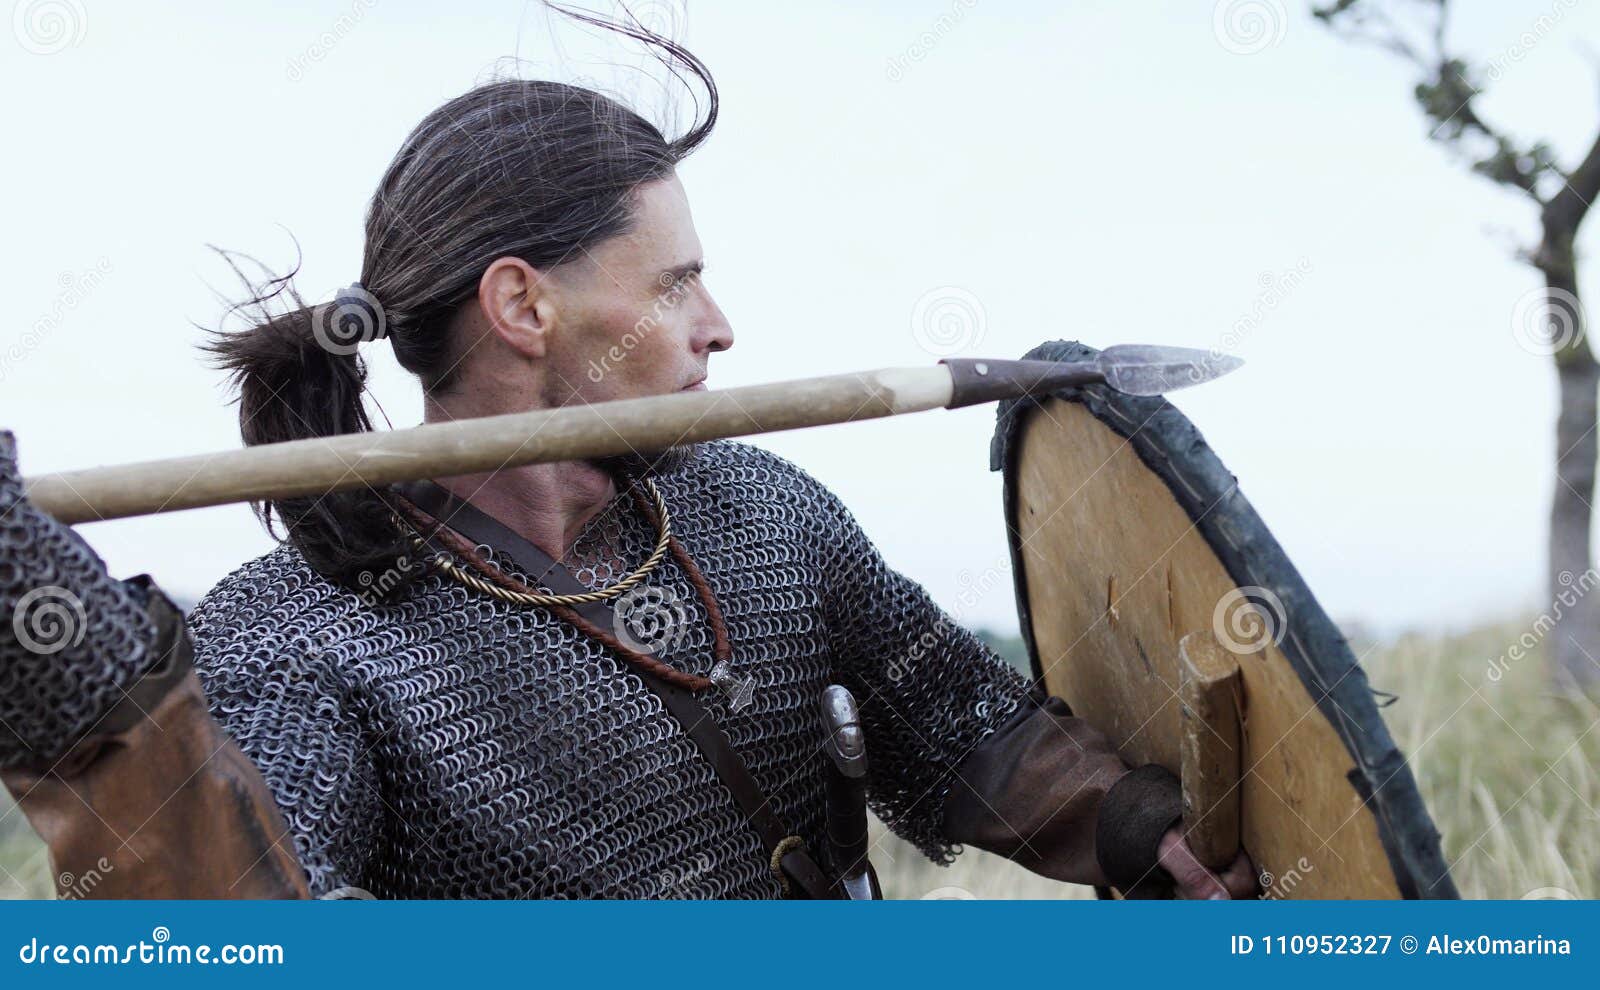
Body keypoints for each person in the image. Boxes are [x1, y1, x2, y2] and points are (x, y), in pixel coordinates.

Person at [0, 22, 1254, 901]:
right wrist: (66, 655)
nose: (719, 327)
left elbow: (955, 725)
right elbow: (227, 920)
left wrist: (1141, 830)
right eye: (673, 283)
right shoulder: (300, 638)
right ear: (524, 306)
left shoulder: (756, 508)